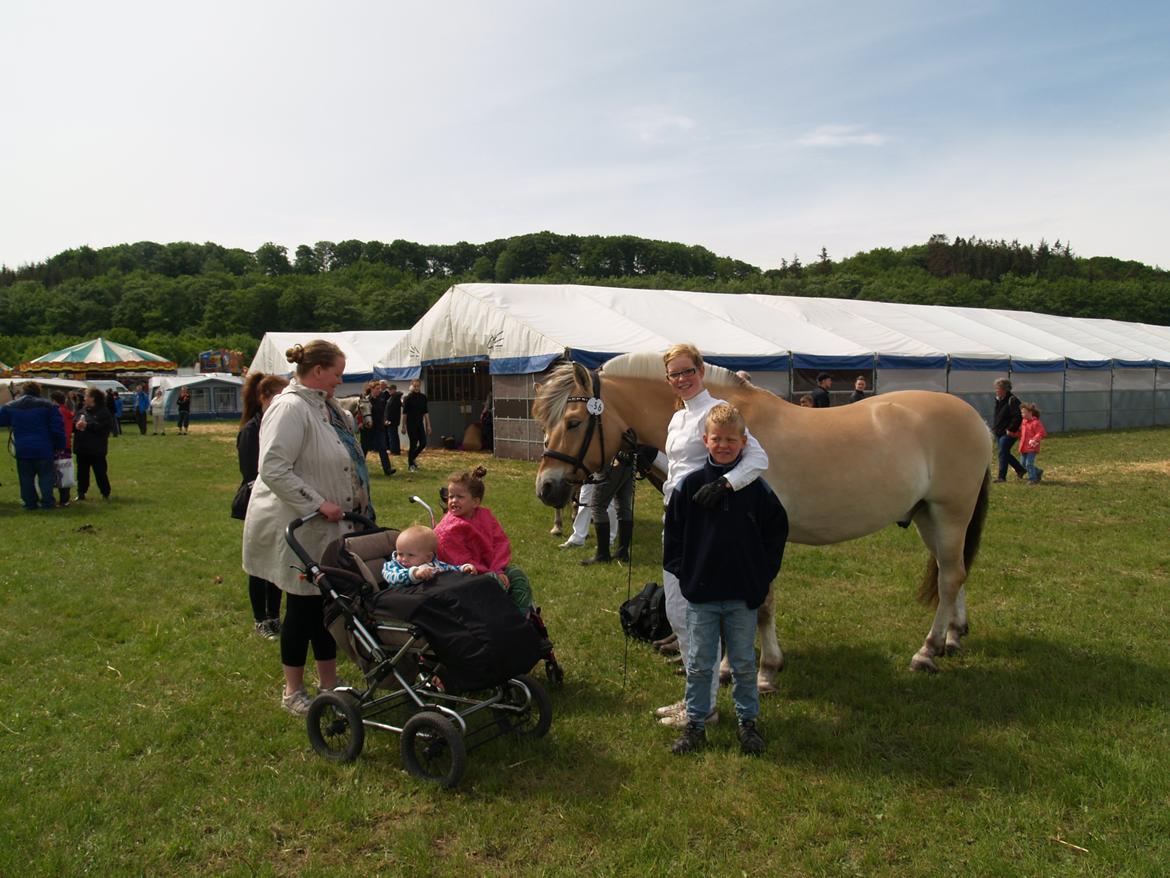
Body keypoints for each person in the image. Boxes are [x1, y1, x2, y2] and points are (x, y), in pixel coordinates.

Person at [243, 339, 373, 716]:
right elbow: (273, 468)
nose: (340, 379)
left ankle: (328, 684)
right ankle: (293, 691)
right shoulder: (290, 408)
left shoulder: (325, 407)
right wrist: (317, 503)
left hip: (330, 526)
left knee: (326, 606)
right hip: (302, 527)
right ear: (317, 371)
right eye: (337, 372)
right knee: (301, 611)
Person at [653, 343, 769, 730]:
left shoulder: (716, 412)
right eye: (674, 374)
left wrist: (725, 485)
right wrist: (647, 458)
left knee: (690, 612)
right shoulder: (678, 418)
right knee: (675, 608)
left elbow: (757, 458)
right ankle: (695, 697)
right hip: (677, 514)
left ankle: (704, 707)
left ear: (701, 371)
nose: (682, 379)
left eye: (688, 371)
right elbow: (680, 468)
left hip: (705, 519)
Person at [665, 404, 788, 755]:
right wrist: (685, 573)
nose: (723, 445)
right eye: (716, 439)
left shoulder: (757, 490)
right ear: (705, 440)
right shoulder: (689, 487)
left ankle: (748, 722)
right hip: (701, 595)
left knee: (744, 664)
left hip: (741, 595)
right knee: (701, 664)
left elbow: (777, 531)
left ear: (744, 442)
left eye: (731, 440)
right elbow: (673, 533)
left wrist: (761, 575)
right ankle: (696, 724)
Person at [434, 466, 534, 614]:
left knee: (516, 574)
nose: (453, 501)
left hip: (490, 569)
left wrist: (498, 568)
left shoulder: (485, 516)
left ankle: (520, 614)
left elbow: (499, 543)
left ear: (475, 502)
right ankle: (497, 617)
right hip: (462, 575)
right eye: (450, 496)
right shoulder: (447, 530)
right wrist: (491, 573)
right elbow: (459, 560)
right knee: (492, 581)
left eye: (459, 497)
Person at [236, 371, 290, 640]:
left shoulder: (278, 424)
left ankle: (274, 615)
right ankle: (261, 619)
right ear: (263, 398)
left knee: (277, 562)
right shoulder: (251, 429)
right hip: (259, 501)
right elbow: (250, 473)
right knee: (260, 563)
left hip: (280, 501)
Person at [0, 381, 66, 510]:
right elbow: (57, 428)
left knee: (26, 478)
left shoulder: (12, 406)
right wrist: (60, 445)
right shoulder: (49, 406)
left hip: (23, 448)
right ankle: (47, 503)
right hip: (44, 447)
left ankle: (30, 503)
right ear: (38, 391)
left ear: (24, 391)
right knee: (46, 477)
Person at [580, 451, 636, 566]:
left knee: (598, 506)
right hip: (628, 460)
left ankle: (602, 555)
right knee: (624, 506)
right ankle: (622, 552)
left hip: (611, 461)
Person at [381, 525, 475, 587]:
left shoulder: (434, 565)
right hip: (401, 598)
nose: (404, 559)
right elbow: (391, 577)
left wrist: (463, 569)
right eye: (400, 554)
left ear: (428, 557)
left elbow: (450, 569)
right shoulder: (393, 566)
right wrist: (414, 574)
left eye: (411, 555)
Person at [73, 387, 113, 501]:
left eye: (86, 396)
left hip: (96, 449)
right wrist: (76, 425)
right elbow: (75, 422)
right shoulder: (82, 410)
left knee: (100, 472)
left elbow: (105, 429)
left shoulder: (103, 412)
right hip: (82, 447)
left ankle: (105, 492)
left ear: (93, 398)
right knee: (82, 473)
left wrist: (88, 426)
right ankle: (81, 493)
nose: (84, 399)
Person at [991, 378, 1026, 482]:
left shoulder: (1013, 400)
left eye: (998, 388)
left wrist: (1010, 429)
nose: (996, 390)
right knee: (1004, 452)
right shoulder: (999, 399)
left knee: (1003, 452)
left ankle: (1001, 477)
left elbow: (1018, 417)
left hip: (1009, 433)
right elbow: (998, 416)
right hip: (999, 431)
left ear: (1005, 389)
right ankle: (1020, 469)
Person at [51, 391, 75, 507]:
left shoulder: (56, 412)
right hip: (67, 445)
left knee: (53, 471)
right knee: (64, 472)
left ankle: (52, 498)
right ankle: (65, 499)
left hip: (56, 445)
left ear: (54, 401)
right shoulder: (67, 411)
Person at [401, 378, 431, 471]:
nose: (416, 388)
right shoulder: (408, 398)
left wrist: (428, 425)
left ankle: (412, 458)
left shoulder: (423, 397)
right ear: (412, 386)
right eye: (415, 386)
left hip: (419, 423)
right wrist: (403, 426)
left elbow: (426, 413)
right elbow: (404, 413)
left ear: (420, 386)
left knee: (423, 443)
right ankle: (411, 465)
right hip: (411, 424)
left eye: (418, 386)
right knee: (413, 444)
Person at [368, 380, 396, 476]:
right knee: (364, 449)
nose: (379, 390)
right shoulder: (367, 400)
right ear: (371, 389)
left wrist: (385, 420)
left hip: (379, 428)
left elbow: (384, 412)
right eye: (377, 389)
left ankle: (387, 470)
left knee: (383, 448)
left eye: (379, 389)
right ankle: (358, 469)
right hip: (369, 428)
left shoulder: (381, 400)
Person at [1019, 402, 1047, 484]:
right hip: (1024, 447)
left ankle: (1033, 479)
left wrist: (1035, 439)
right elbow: (1022, 433)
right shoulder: (1024, 422)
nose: (1022, 414)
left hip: (1032, 447)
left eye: (1024, 412)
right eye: (1021, 412)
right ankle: (1038, 471)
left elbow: (1042, 432)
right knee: (1023, 464)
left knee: (1029, 464)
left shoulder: (1036, 423)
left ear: (1030, 413)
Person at [385, 384, 403, 456]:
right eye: (389, 389)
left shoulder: (395, 398)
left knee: (392, 436)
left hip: (392, 420)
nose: (389, 390)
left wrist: (388, 419)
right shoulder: (393, 397)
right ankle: (395, 450)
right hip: (391, 420)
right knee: (393, 435)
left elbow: (392, 411)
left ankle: (394, 451)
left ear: (394, 389)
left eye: (390, 389)